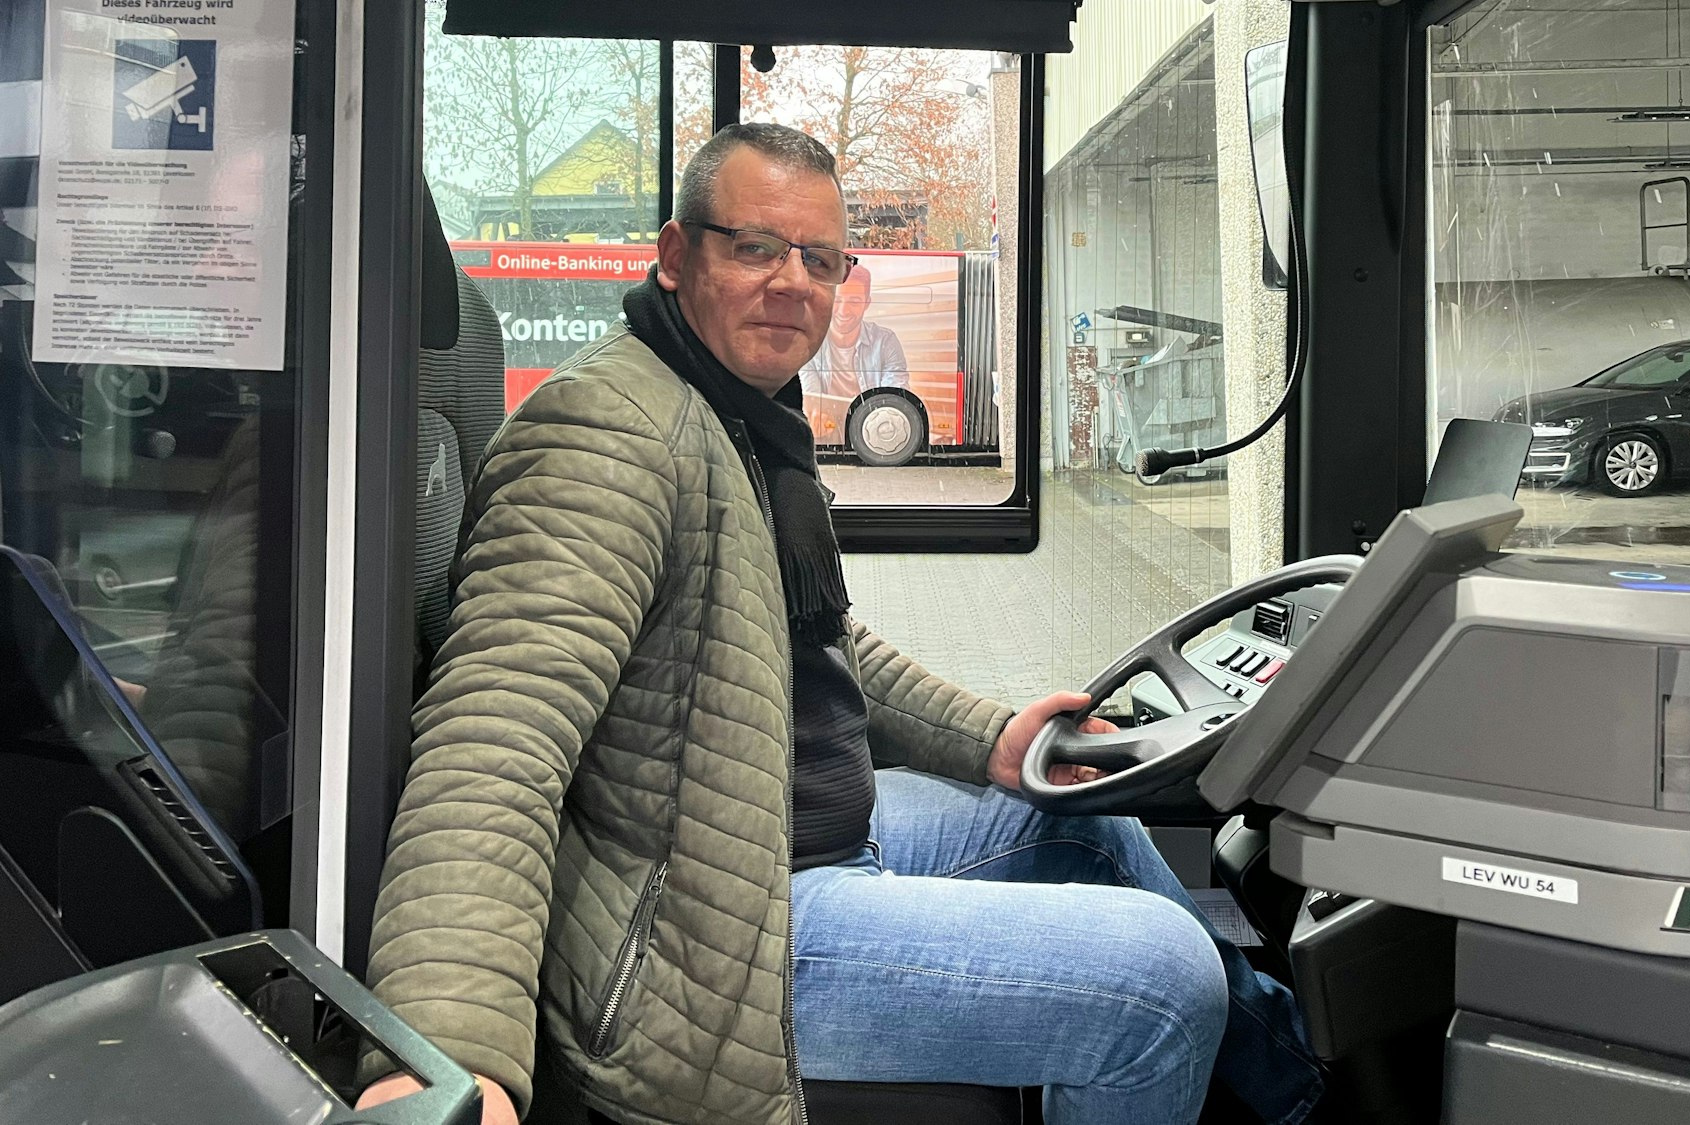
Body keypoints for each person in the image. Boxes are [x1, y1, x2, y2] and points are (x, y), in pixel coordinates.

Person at [355, 123, 1325, 1125]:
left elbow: (820, 640)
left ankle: (1299, 1098)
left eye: (819, 259)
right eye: (753, 247)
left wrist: (991, 738)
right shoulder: (606, 439)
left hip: (782, 842)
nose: (792, 283)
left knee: (1089, 819)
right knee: (1159, 985)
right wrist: (450, 1056)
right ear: (677, 256)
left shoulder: (737, 416)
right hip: (700, 942)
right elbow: (494, 745)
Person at [798, 261, 908, 401]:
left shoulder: (885, 342)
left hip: (871, 421)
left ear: (866, 304)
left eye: (854, 301)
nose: (844, 311)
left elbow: (894, 399)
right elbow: (810, 402)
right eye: (838, 300)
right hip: (824, 421)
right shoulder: (810, 341)